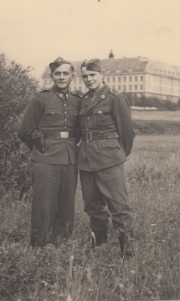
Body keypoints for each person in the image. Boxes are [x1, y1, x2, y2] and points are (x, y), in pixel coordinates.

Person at [18, 57, 81, 247]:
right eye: (57, 74)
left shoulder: (77, 100)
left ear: (72, 76)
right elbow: (25, 130)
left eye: (65, 73)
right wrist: (40, 149)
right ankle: (38, 246)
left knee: (66, 203)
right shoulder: (41, 98)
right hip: (45, 158)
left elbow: (78, 131)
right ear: (52, 76)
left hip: (70, 157)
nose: (62, 77)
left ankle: (60, 245)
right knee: (44, 205)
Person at [77, 58, 135, 257]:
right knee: (93, 207)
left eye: (92, 75)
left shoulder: (115, 98)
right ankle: (99, 249)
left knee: (119, 207)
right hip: (86, 161)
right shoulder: (84, 100)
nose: (89, 79)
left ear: (102, 75)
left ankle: (127, 253)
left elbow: (127, 133)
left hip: (110, 160)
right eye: (85, 76)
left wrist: (117, 155)